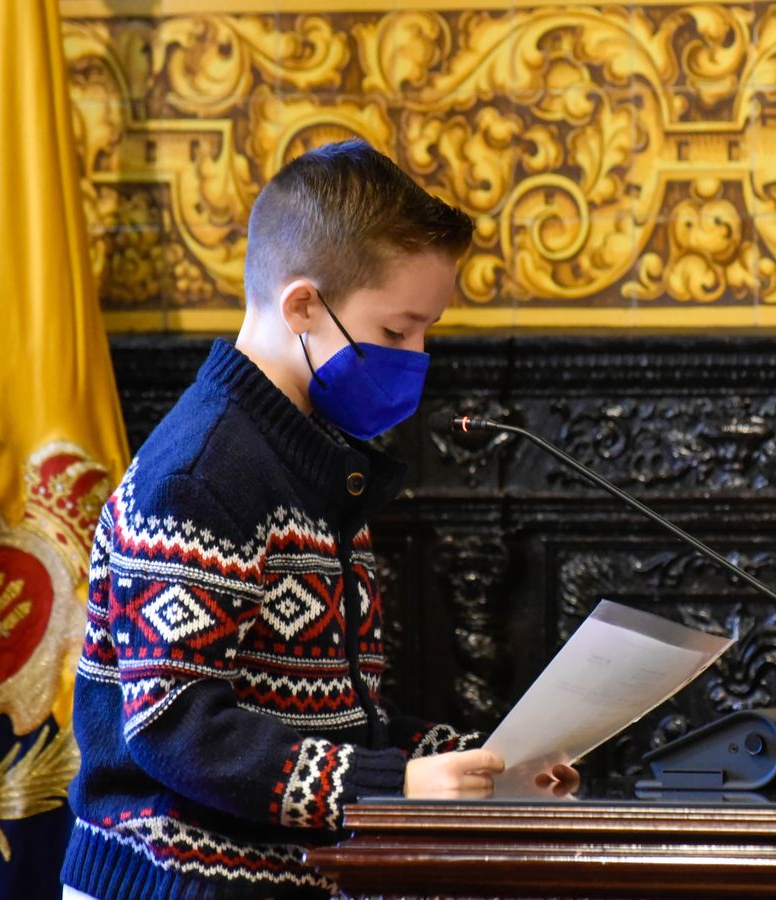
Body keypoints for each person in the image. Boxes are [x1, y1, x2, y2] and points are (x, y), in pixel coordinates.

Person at [61, 140, 572, 900]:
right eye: (397, 331)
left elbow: (323, 714)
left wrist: (479, 762)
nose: (416, 355)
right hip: (174, 885)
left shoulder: (311, 459)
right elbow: (177, 724)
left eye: (426, 331)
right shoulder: (202, 473)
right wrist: (393, 781)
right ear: (302, 305)